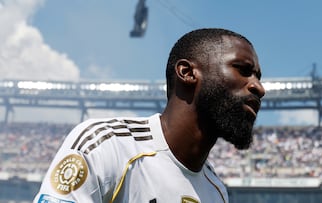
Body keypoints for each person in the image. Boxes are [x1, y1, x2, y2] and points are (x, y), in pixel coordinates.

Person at [33, 28, 265, 203]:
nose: (259, 88)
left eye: (258, 77)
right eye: (243, 70)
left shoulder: (216, 192)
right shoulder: (106, 145)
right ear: (187, 73)